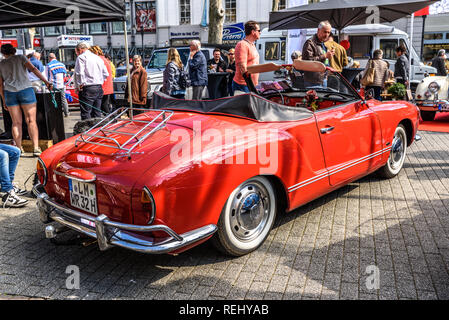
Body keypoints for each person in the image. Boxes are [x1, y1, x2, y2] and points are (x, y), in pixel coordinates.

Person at [0, 44, 52, 156]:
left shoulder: (1, 64)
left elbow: (0, 85)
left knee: (16, 122)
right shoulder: (21, 58)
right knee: (31, 121)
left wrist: (4, 99)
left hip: (10, 92)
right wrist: (46, 82)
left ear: (3, 52)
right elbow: (33, 69)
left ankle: (19, 149)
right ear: (13, 50)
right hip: (25, 90)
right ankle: (36, 148)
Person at [74, 42, 109, 120]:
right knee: (97, 112)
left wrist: (80, 84)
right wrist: (100, 81)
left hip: (87, 87)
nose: (76, 54)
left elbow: (79, 73)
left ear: (80, 50)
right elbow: (106, 73)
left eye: (76, 51)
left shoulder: (81, 57)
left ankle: (88, 131)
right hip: (98, 87)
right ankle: (96, 130)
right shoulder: (97, 58)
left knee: (86, 112)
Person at [302, 21, 334, 87]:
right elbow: (307, 62)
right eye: (325, 32)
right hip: (313, 82)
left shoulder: (322, 43)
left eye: (328, 32)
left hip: (323, 80)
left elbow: (323, 62)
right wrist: (324, 56)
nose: (327, 35)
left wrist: (329, 56)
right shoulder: (310, 43)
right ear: (318, 30)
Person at [233, 20, 261, 94]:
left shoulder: (252, 45)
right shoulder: (242, 45)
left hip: (251, 85)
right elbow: (242, 67)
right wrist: (251, 86)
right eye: (259, 30)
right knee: (242, 106)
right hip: (243, 85)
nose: (260, 32)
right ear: (253, 32)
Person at [89, 46, 113, 114]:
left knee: (103, 106)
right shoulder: (103, 59)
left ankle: (112, 120)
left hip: (103, 86)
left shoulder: (99, 59)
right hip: (107, 87)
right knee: (104, 105)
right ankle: (111, 119)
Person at [46, 52, 69, 117]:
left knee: (53, 99)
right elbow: (65, 75)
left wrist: (48, 85)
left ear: (49, 58)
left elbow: (47, 76)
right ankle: (66, 113)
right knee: (63, 99)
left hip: (53, 85)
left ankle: (56, 113)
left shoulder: (48, 65)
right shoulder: (62, 65)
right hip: (61, 85)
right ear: (55, 57)